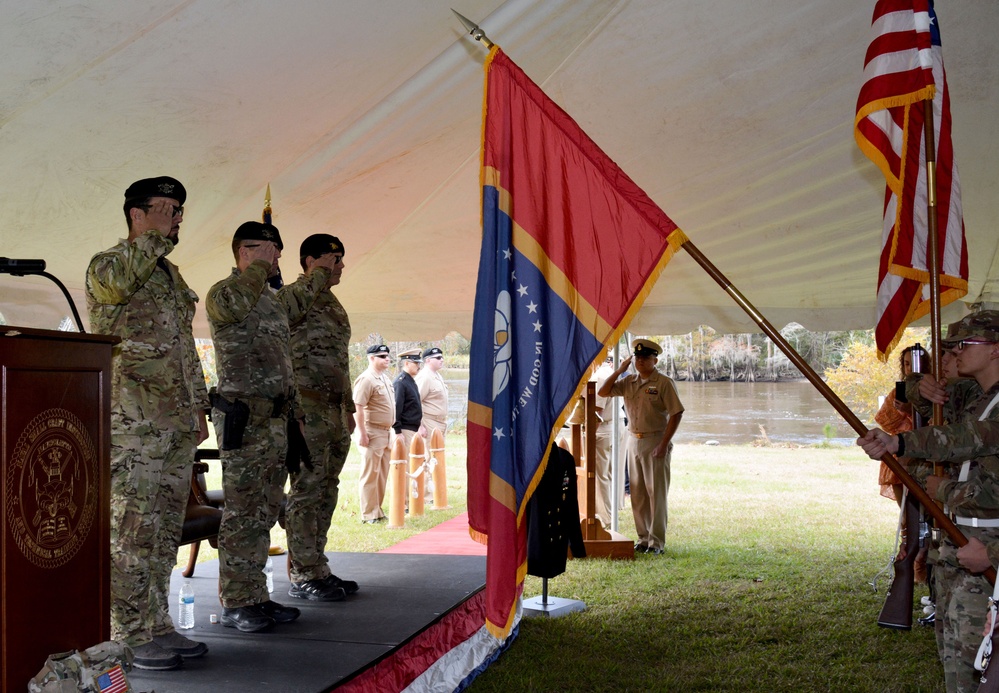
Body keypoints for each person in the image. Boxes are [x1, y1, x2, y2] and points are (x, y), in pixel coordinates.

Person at [85, 177, 210, 670]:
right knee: (132, 531)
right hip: (133, 426)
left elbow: (185, 347)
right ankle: (129, 635)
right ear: (137, 214)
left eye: (178, 210)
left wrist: (199, 407)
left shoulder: (168, 275)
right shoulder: (109, 264)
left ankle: (157, 624)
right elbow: (116, 284)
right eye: (166, 209)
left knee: (161, 533)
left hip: (174, 423)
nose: (176, 218)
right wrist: (153, 236)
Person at [857, 310, 999, 693]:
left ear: (996, 350)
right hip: (959, 542)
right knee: (955, 658)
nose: (953, 352)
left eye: (964, 344)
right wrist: (920, 385)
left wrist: (898, 443)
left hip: (986, 548)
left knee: (980, 666)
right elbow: (913, 392)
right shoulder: (977, 394)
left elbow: (966, 438)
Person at [206, 221, 304, 632]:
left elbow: (284, 359)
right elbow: (231, 307)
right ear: (245, 251)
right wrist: (257, 269)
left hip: (275, 419)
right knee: (243, 511)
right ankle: (237, 601)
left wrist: (295, 411)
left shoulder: (271, 301)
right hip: (243, 418)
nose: (277, 257)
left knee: (264, 510)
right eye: (270, 249)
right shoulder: (224, 293)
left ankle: (256, 595)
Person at [276, 233, 358, 602]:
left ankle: (317, 566)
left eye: (340, 259)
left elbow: (340, 360)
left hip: (333, 411)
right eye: (331, 258)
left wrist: (349, 408)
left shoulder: (331, 303)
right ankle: (302, 573)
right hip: (306, 411)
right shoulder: (294, 296)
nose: (339, 266)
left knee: (327, 489)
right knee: (306, 490)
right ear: (309, 261)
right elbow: (281, 326)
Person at [598, 339, 684, 555]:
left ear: (655, 360)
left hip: (655, 440)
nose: (641, 361)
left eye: (646, 358)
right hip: (633, 440)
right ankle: (643, 539)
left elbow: (676, 413)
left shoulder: (664, 382)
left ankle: (657, 543)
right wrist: (619, 370)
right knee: (637, 492)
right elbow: (603, 392)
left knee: (656, 493)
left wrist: (664, 444)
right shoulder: (629, 382)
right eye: (637, 358)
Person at [875, 345, 928, 503]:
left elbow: (937, 423)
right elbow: (885, 424)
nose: (910, 368)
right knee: (905, 513)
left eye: (914, 363)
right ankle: (905, 526)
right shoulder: (896, 392)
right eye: (906, 363)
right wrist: (901, 410)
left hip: (924, 451)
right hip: (899, 452)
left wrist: (913, 411)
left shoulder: (932, 390)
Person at [353, 344, 396, 523]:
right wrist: (362, 433)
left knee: (382, 474)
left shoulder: (384, 378)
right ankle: (369, 514)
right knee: (371, 474)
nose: (387, 359)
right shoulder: (366, 379)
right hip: (372, 431)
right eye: (382, 356)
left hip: (386, 432)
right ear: (371, 358)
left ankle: (377, 510)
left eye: (387, 356)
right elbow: (358, 408)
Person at [393, 348, 424, 454]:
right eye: (416, 363)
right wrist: (397, 431)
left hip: (413, 429)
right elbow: (397, 408)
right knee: (406, 465)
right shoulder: (401, 383)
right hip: (405, 430)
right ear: (406, 363)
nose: (419, 367)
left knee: (415, 464)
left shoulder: (411, 381)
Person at [416, 346, 448, 437]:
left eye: (442, 357)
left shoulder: (437, 375)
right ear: (428, 360)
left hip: (441, 422)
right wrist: (419, 426)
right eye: (438, 358)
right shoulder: (424, 377)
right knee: (432, 450)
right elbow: (415, 402)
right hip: (429, 422)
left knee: (440, 451)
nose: (441, 360)